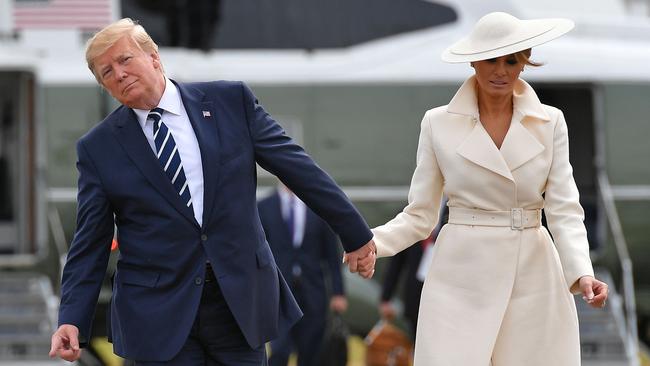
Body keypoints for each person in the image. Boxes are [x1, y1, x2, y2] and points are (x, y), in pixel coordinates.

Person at [48, 18, 376, 365]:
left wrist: (354, 233)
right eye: (106, 73)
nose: (118, 74)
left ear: (154, 57)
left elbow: (299, 169)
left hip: (238, 304)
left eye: (125, 60)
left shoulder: (229, 102)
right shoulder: (99, 148)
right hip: (157, 313)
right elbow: (90, 240)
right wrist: (72, 316)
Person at [369, 12, 608, 365]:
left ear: (524, 63)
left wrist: (582, 272)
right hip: (460, 275)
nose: (501, 70)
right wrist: (371, 242)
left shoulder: (551, 121)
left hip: (533, 275)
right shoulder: (437, 123)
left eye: (511, 60)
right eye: (491, 59)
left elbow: (564, 209)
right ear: (473, 62)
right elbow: (420, 214)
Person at [258, 184, 348, 366]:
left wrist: (339, 292)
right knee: (279, 350)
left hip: (313, 292)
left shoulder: (317, 207)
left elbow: (332, 255)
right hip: (279, 292)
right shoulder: (264, 206)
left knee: (310, 351)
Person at [379, 202, 448, 340]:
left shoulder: (457, 211)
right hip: (415, 295)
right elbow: (396, 261)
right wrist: (386, 297)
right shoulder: (410, 212)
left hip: (445, 298)